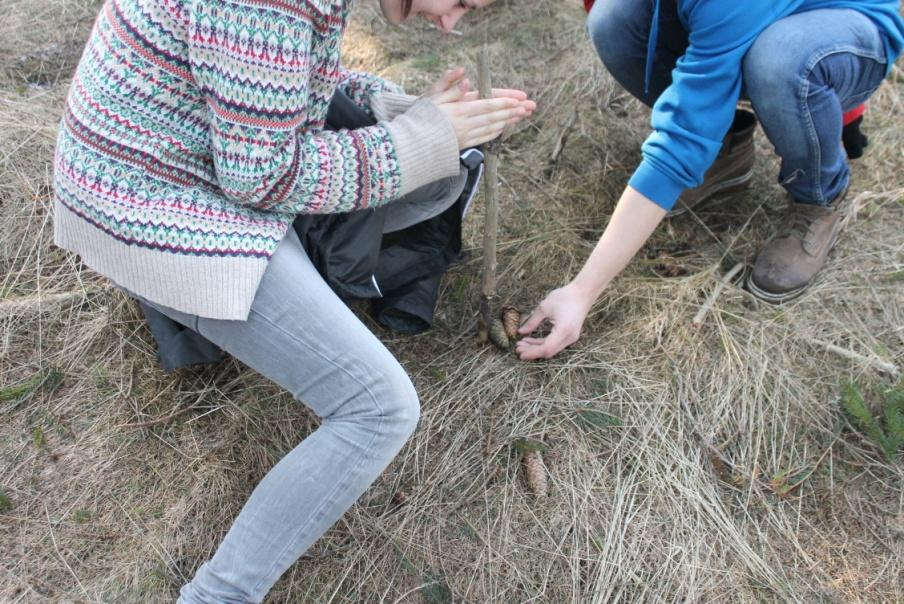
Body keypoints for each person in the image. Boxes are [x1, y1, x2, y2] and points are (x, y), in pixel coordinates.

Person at [51, 0, 532, 600]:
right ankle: (217, 596)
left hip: (183, 170)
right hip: (153, 207)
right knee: (378, 407)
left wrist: (405, 112)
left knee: (429, 171)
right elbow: (261, 177)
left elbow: (293, 82)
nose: (452, 24)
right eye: (462, 2)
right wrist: (417, 140)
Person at [516, 0, 904, 361]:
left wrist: (582, 290)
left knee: (780, 58)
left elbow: (679, 140)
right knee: (613, 19)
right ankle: (726, 146)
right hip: (746, 16)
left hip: (844, 30)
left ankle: (819, 194)